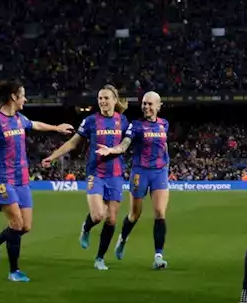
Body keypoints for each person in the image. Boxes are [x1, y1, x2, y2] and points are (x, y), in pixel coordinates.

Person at [0, 79, 73, 282]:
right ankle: (14, 271)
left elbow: (35, 124)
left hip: (22, 178)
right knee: (16, 223)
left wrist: (56, 128)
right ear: (13, 97)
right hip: (1, 178)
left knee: (25, 227)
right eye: (23, 95)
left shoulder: (19, 119)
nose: (25, 99)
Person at [42, 85, 131, 270]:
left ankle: (100, 258)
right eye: (100, 98)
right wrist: (53, 156)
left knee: (111, 220)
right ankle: (86, 227)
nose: (103, 102)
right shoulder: (90, 121)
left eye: (106, 98)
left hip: (115, 175)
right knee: (98, 215)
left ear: (115, 100)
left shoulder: (122, 121)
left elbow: (127, 143)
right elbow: (74, 142)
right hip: (96, 172)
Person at [116, 91, 170, 269]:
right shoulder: (136, 125)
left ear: (158, 106)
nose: (146, 107)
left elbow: (164, 145)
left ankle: (158, 256)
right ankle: (123, 239)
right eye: (144, 104)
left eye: (150, 104)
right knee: (135, 214)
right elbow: (126, 142)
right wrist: (117, 149)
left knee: (160, 213)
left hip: (159, 172)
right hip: (140, 172)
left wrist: (167, 164)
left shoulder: (164, 124)